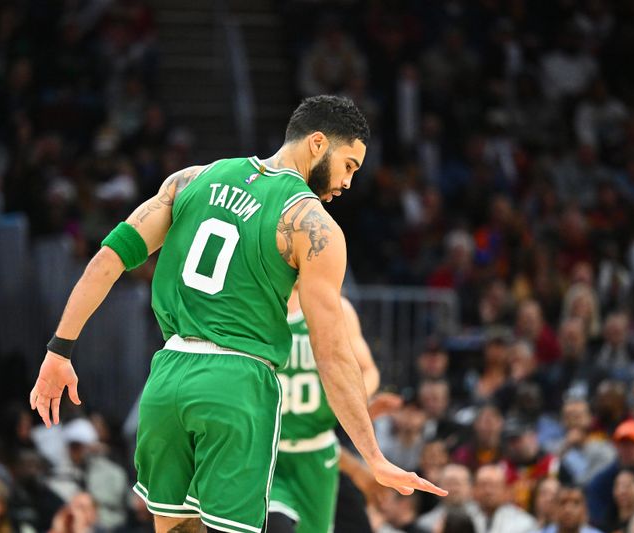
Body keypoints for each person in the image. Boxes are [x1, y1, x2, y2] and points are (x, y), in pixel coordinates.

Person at [28, 95, 447, 533]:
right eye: (349, 165)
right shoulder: (314, 225)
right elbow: (332, 352)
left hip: (168, 375)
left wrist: (60, 350)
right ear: (318, 143)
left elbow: (109, 260)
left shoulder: (192, 179)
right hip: (238, 384)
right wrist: (374, 456)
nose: (347, 181)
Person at [267, 282, 380, 533]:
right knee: (275, 525)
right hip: (266, 450)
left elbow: (368, 371)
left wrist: (353, 398)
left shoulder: (336, 308)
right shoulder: (257, 304)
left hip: (316, 450)